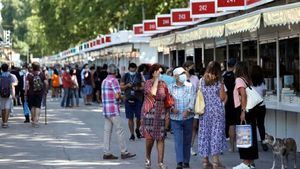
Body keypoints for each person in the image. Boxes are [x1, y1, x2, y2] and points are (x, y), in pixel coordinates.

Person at [101, 64, 136, 160]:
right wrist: (122, 97)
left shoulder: (104, 81)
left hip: (106, 110)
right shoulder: (114, 80)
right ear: (115, 72)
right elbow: (117, 95)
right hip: (113, 109)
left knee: (107, 131)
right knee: (119, 130)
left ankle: (106, 152)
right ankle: (124, 152)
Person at [198, 61, 227, 169]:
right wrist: (222, 84)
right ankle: (215, 162)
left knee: (205, 134)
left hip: (204, 111)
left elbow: (200, 94)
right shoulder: (219, 81)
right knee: (216, 135)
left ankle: (205, 161)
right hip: (217, 111)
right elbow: (222, 97)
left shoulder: (201, 80)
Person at [141, 63, 169, 169]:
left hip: (160, 113)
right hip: (149, 113)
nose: (161, 74)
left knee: (161, 138)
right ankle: (148, 158)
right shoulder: (148, 83)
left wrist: (167, 113)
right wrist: (156, 80)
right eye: (159, 72)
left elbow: (167, 99)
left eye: (161, 72)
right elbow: (152, 93)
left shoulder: (164, 84)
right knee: (149, 139)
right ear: (153, 72)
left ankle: (160, 162)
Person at [233, 62, 259, 169]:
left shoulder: (239, 79)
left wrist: (243, 111)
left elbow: (243, 95)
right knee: (250, 135)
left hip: (243, 110)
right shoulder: (247, 80)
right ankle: (250, 162)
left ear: (238, 69)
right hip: (251, 111)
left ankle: (246, 162)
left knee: (243, 135)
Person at [169, 67, 195, 169]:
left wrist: (188, 110)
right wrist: (172, 108)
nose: (184, 75)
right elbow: (168, 100)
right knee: (178, 140)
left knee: (187, 140)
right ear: (175, 76)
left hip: (188, 117)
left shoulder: (190, 86)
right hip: (175, 118)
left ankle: (186, 161)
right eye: (181, 74)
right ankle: (179, 162)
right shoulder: (170, 87)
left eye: (184, 73)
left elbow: (193, 99)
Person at [120, 63, 144, 141]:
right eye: (131, 68)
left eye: (134, 68)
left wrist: (138, 88)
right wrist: (127, 86)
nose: (133, 70)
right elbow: (121, 87)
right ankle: (132, 134)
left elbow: (144, 86)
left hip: (138, 98)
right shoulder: (125, 76)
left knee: (139, 117)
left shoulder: (139, 75)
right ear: (129, 68)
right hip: (128, 98)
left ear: (136, 68)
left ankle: (137, 129)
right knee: (130, 118)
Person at [183, 61, 200, 156]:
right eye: (190, 67)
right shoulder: (181, 78)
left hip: (194, 106)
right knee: (185, 127)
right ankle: (184, 146)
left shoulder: (195, 78)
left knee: (193, 127)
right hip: (184, 106)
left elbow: (198, 90)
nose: (192, 69)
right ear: (185, 68)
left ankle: (190, 147)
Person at [223, 58, 239, 152]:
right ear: (234, 66)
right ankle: (235, 146)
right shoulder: (235, 76)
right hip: (235, 101)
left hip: (226, 102)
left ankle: (231, 146)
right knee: (234, 124)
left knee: (229, 123)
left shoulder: (223, 75)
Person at [251, 65, 268, 152]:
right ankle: (263, 143)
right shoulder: (262, 82)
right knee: (261, 125)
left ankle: (254, 144)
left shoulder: (250, 82)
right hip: (261, 106)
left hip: (252, 107)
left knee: (253, 125)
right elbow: (264, 93)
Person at [25, 62, 48, 128]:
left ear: (32, 67)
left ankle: (33, 118)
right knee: (38, 106)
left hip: (31, 93)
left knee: (32, 106)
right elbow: (46, 83)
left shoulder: (29, 75)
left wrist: (26, 92)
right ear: (39, 67)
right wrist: (46, 90)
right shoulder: (41, 74)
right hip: (39, 92)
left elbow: (27, 85)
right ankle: (36, 121)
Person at [0, 63, 16, 128]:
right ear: (8, 68)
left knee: (2, 108)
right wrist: (14, 94)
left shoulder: (0, 76)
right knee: (7, 108)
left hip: (1, 94)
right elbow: (13, 85)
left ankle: (3, 121)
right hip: (8, 94)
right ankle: (5, 122)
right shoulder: (11, 76)